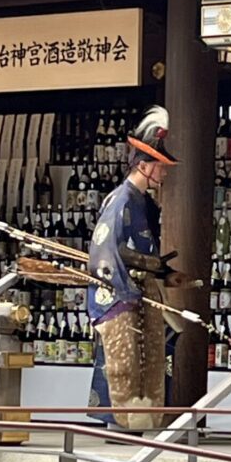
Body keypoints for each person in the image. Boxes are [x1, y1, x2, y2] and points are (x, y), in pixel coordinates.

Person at [88, 105, 178, 430]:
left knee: (152, 357)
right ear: (143, 166)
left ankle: (141, 419)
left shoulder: (144, 203)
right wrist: (138, 277)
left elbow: (143, 251)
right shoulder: (121, 201)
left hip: (141, 290)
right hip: (119, 292)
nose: (164, 173)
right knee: (123, 361)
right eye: (160, 166)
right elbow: (107, 251)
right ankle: (121, 421)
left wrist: (163, 272)